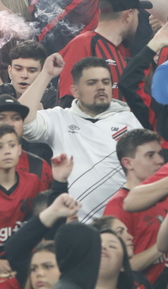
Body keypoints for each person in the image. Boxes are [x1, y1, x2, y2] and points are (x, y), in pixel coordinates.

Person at [19, 52, 142, 222]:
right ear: (75, 91)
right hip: (73, 226)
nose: (101, 87)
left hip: (121, 225)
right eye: (92, 83)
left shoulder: (132, 119)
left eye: (106, 82)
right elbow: (22, 121)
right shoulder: (59, 118)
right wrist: (46, 74)